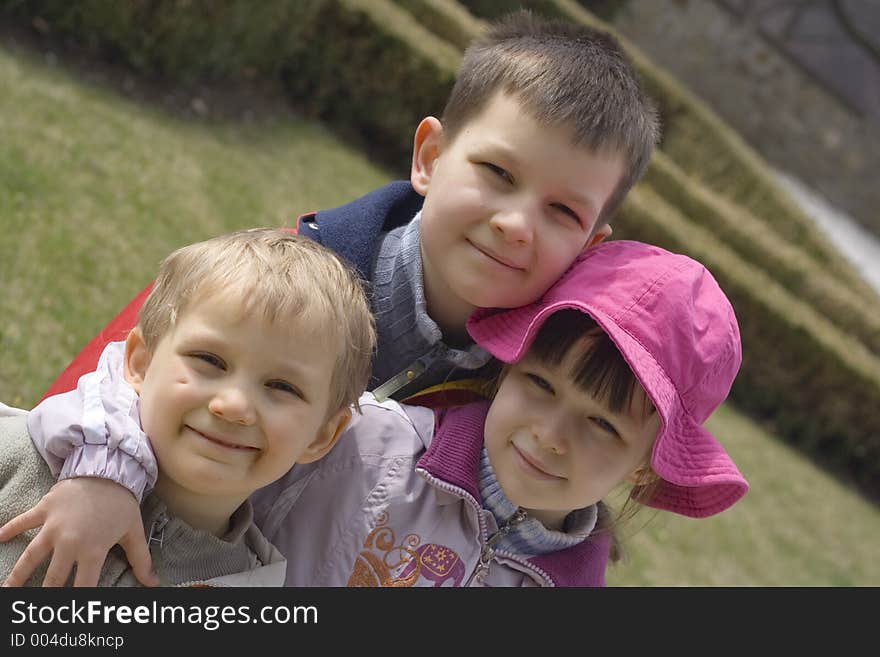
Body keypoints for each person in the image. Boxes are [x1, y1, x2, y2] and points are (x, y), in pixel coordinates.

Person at [1, 10, 660, 585]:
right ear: (429, 155)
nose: (515, 223)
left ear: (591, 244)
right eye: (497, 172)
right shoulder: (271, 280)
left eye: (562, 212)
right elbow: (122, 365)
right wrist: (103, 472)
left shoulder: (524, 393)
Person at [7, 240, 748, 586]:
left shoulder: (572, 587)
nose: (550, 436)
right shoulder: (364, 441)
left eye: (604, 425)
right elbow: (148, 382)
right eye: (542, 386)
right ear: (505, 366)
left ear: (649, 466)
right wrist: (106, 470)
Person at [0, 228, 376, 586]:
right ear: (140, 363)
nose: (233, 405)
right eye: (209, 360)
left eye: (282, 386)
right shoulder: (22, 455)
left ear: (322, 434)